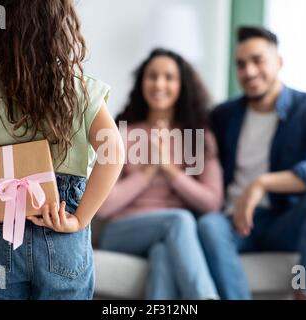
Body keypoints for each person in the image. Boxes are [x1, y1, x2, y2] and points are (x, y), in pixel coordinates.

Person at [0, 0, 124, 300]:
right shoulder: (77, 87)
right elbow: (114, 152)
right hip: (59, 224)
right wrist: (79, 218)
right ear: (58, 25)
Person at [198, 26, 306, 300]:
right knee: (208, 225)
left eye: (258, 60)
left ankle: (303, 290)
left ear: (278, 62)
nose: (250, 71)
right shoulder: (224, 116)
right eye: (241, 65)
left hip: (285, 222)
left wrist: (262, 183)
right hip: (236, 225)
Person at [97, 48, 223, 299]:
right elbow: (103, 206)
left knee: (163, 252)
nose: (159, 84)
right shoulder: (122, 134)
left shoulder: (199, 138)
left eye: (169, 77)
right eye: (152, 76)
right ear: (142, 82)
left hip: (173, 235)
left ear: (182, 86)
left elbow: (212, 203)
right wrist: (149, 170)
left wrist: (168, 168)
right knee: (179, 220)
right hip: (122, 231)